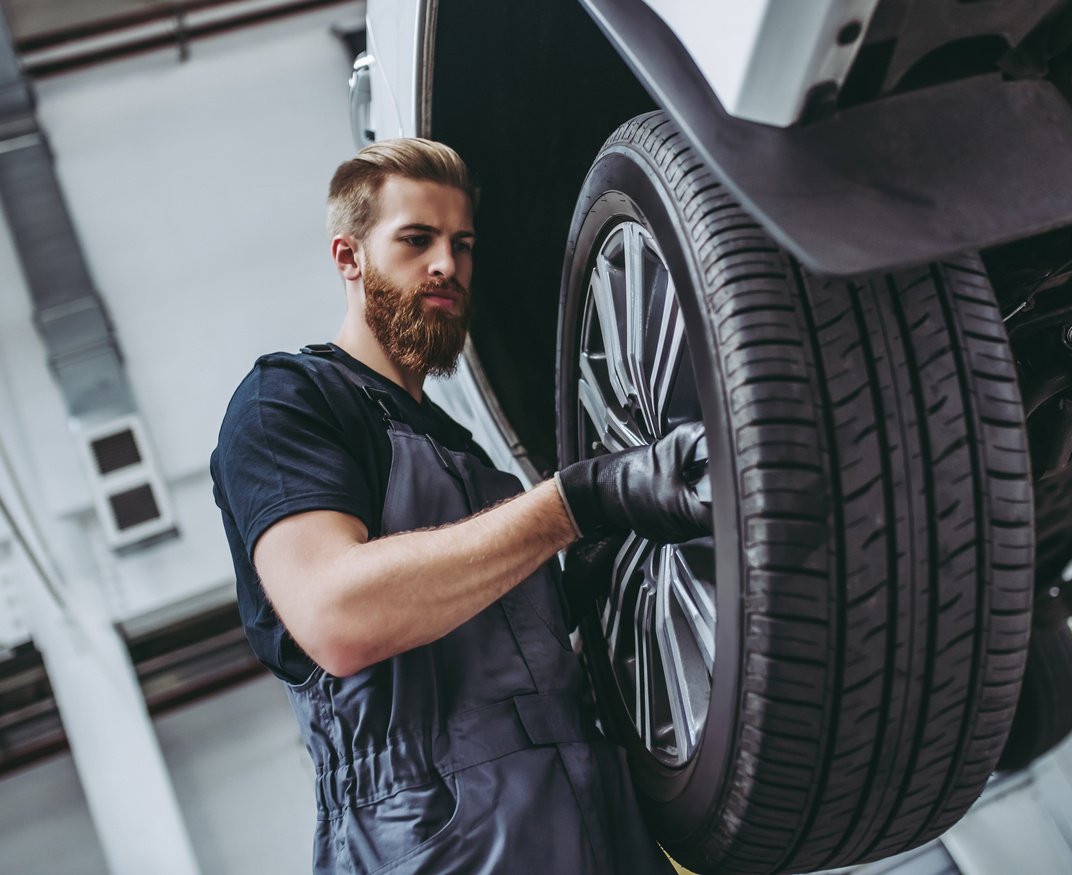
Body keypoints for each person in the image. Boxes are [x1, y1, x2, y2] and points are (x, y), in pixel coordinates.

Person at [210, 138, 709, 873]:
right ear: (348, 256)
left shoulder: (461, 449)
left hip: (589, 806)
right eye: (416, 240)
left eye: (461, 244)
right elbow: (336, 613)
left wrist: (584, 584)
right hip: (427, 831)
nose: (447, 265)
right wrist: (573, 505)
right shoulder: (287, 403)